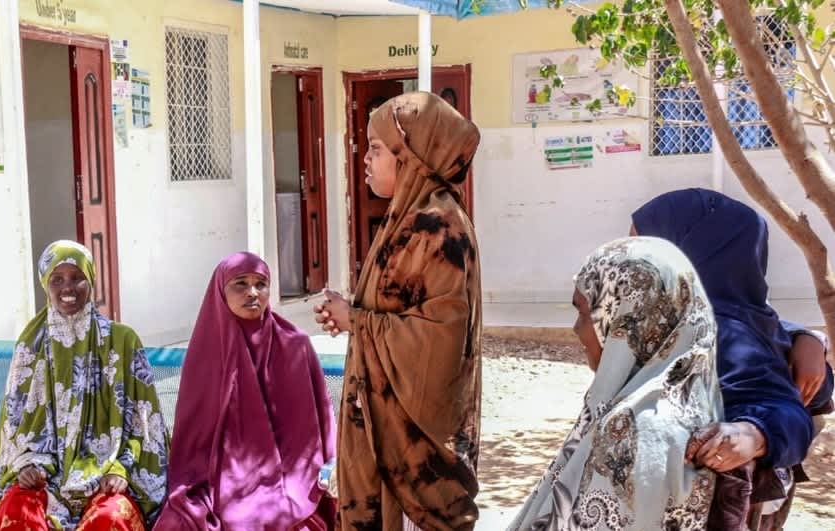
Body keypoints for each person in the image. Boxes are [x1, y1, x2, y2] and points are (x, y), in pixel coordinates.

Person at [314, 92, 482, 531]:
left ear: (410, 158)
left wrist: (358, 322)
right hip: (382, 443)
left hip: (412, 459)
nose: (365, 159)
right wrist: (354, 314)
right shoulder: (406, 219)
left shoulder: (437, 226)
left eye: (375, 148)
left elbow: (441, 338)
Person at [631, 188, 834, 529]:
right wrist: (807, 337)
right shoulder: (751, 318)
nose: (628, 261)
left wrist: (755, 433)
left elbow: (789, 411)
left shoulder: (717, 330)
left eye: (641, 247)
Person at [509, 237, 721, 530]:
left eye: (585, 313)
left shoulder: (633, 432)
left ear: (625, 320)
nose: (576, 329)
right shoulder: (698, 402)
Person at [0, 240, 168, 530]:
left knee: (110, 518)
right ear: (45, 284)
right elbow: (16, 421)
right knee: (17, 509)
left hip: (107, 475)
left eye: (77, 278)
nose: (67, 288)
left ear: (91, 281)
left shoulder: (122, 341)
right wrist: (27, 464)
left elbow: (145, 424)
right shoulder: (31, 344)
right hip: (47, 477)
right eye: (57, 279)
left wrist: (121, 468)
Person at [157, 252, 336, 530]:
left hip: (293, 482)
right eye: (240, 283)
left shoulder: (296, 345)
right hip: (221, 482)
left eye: (261, 284)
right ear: (220, 291)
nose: (252, 293)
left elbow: (318, 430)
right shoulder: (206, 353)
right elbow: (193, 442)